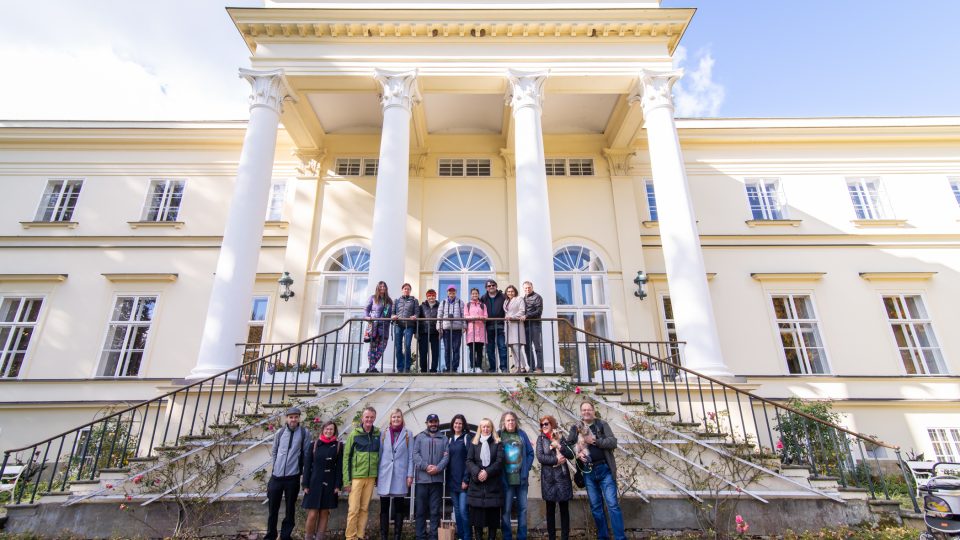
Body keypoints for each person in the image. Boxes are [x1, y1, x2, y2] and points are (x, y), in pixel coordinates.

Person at [564, 401, 625, 540]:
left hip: (604, 469)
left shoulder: (602, 425)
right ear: (581, 412)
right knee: (596, 508)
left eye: (589, 409)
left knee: (612, 505)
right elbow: (568, 446)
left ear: (594, 411)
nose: (586, 412)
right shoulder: (575, 427)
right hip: (587, 472)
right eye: (584, 410)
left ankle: (620, 538)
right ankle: (603, 537)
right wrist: (577, 453)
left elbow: (613, 442)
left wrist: (595, 441)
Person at [266, 407, 311, 540]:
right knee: (272, 509)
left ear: (299, 418)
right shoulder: (280, 433)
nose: (293, 419)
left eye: (296, 417)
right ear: (286, 418)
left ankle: (286, 536)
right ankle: (270, 535)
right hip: (276, 478)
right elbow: (274, 451)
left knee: (290, 509)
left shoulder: (304, 433)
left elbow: (307, 454)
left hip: (293, 478)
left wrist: (301, 471)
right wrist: (276, 468)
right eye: (291, 417)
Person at [343, 407, 381, 540]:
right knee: (353, 509)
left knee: (364, 508)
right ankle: (350, 537)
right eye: (367, 417)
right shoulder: (355, 434)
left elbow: (380, 456)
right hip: (356, 477)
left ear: (374, 418)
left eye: (371, 417)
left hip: (371, 478)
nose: (369, 419)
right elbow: (346, 457)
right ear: (362, 418)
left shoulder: (377, 434)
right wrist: (346, 481)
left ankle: (360, 535)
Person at [302, 420, 343, 540]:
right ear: (322, 430)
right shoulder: (313, 444)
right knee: (312, 514)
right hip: (314, 483)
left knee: (325, 513)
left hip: (329, 484)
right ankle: (308, 538)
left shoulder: (339, 446)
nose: (329, 431)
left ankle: (320, 538)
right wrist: (305, 484)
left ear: (334, 431)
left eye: (331, 429)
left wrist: (337, 485)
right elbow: (307, 466)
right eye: (327, 429)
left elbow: (339, 468)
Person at [535, 416, 573, 540]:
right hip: (549, 479)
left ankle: (564, 537)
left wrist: (560, 446)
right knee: (550, 510)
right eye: (542, 425)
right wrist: (556, 459)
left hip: (562, 477)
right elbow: (540, 457)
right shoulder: (540, 439)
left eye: (546, 424)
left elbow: (570, 455)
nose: (544, 426)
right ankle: (552, 537)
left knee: (564, 510)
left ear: (552, 424)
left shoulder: (560, 437)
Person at [466, 418, 505, 540]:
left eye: (488, 426)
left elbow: (499, 462)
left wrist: (487, 472)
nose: (485, 429)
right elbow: (469, 460)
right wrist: (478, 472)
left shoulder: (498, 442)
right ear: (480, 429)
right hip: (477, 487)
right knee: (477, 522)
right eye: (483, 427)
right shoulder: (474, 443)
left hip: (493, 487)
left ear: (491, 428)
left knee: (492, 522)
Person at [378, 409, 413, 540]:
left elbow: (410, 457)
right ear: (390, 419)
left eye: (398, 417)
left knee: (399, 507)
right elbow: (380, 455)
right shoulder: (383, 433)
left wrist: (410, 475)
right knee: (384, 507)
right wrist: (377, 474)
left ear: (402, 418)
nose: (396, 419)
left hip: (400, 474)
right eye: (394, 417)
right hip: (385, 473)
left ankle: (397, 536)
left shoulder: (408, 434)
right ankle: (383, 536)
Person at [498, 411, 534, 540]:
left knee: (522, 510)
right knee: (506, 511)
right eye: (508, 420)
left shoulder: (522, 434)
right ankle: (507, 537)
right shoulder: (499, 435)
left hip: (521, 479)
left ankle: (521, 537)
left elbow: (530, 453)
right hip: (506, 480)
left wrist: (526, 468)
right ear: (503, 422)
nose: (511, 422)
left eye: (513, 420)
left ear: (516, 422)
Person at [413, 413, 450, 540]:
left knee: (435, 511)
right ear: (427, 423)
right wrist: (426, 466)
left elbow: (446, 456)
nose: (433, 424)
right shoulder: (420, 437)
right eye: (431, 422)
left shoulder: (444, 438)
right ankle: (420, 536)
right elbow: (415, 454)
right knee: (420, 511)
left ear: (438, 423)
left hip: (437, 481)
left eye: (435, 421)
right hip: (422, 481)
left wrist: (438, 468)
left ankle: (434, 536)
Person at [446, 414, 473, 540]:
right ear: (453, 424)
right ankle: (461, 536)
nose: (457, 425)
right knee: (457, 512)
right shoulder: (450, 439)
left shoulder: (467, 438)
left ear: (463, 426)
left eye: (460, 423)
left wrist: (466, 479)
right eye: (456, 423)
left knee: (463, 511)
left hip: (463, 482)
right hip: (452, 482)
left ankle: (467, 536)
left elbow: (469, 460)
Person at [364, 282, 393, 373]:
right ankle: (372, 368)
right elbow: (366, 309)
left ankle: (371, 367)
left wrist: (393, 316)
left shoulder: (389, 301)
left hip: (384, 327)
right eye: (380, 286)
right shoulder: (372, 298)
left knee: (381, 349)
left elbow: (391, 313)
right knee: (372, 348)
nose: (382, 288)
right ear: (378, 288)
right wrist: (367, 316)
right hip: (374, 326)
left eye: (384, 286)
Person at [481, 280, 508, 373]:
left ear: (496, 286)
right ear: (486, 288)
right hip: (489, 326)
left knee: (502, 347)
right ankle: (493, 368)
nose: (491, 287)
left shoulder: (503, 296)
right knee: (490, 348)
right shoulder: (483, 298)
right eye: (489, 286)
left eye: (493, 285)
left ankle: (504, 368)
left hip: (500, 324)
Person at [391, 283, 419, 373]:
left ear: (410, 291)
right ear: (402, 290)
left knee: (407, 346)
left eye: (408, 289)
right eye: (405, 289)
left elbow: (417, 312)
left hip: (409, 326)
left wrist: (415, 316)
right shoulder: (397, 300)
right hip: (398, 325)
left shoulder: (414, 300)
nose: (406, 290)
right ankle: (400, 367)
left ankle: (407, 367)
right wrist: (393, 316)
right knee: (398, 346)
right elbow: (392, 312)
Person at [438, 286, 465, 373]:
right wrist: (439, 327)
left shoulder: (460, 302)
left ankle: (454, 368)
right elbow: (440, 315)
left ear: (455, 293)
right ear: (447, 293)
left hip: (457, 329)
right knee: (447, 349)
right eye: (450, 292)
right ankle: (448, 367)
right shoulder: (443, 303)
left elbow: (463, 315)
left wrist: (464, 326)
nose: (451, 294)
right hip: (446, 328)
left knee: (456, 349)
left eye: (453, 292)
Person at [503, 286, 528, 373]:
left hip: (516, 325)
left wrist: (512, 317)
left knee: (516, 346)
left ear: (515, 291)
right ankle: (517, 367)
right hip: (508, 326)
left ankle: (523, 367)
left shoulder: (519, 299)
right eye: (508, 291)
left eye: (512, 291)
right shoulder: (506, 301)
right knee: (512, 348)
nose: (510, 293)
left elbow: (522, 311)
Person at [522, 281, 544, 373]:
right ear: (523, 289)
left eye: (529, 287)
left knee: (537, 347)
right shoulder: (523, 298)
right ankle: (531, 367)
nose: (527, 289)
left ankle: (539, 367)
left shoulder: (537, 297)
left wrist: (527, 316)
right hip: (525, 325)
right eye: (525, 288)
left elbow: (539, 311)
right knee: (527, 347)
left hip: (535, 324)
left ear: (532, 287)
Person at [464, 288, 487, 373]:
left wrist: (481, 318)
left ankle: (479, 367)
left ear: (478, 294)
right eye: (473, 294)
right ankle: (472, 367)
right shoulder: (468, 305)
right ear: (471, 295)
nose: (474, 295)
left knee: (480, 350)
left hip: (480, 330)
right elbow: (466, 316)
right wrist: (474, 318)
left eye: (476, 293)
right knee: (472, 350)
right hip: (471, 331)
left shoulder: (482, 305)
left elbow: (486, 316)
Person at [417, 289, 441, 373]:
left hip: (435, 332)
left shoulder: (439, 306)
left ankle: (433, 369)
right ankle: (423, 369)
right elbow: (418, 319)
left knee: (435, 352)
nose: (431, 297)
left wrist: (440, 331)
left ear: (435, 296)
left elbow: (441, 318)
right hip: (423, 331)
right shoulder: (421, 306)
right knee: (423, 352)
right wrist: (416, 332)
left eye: (433, 295)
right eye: (429, 296)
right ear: (427, 297)